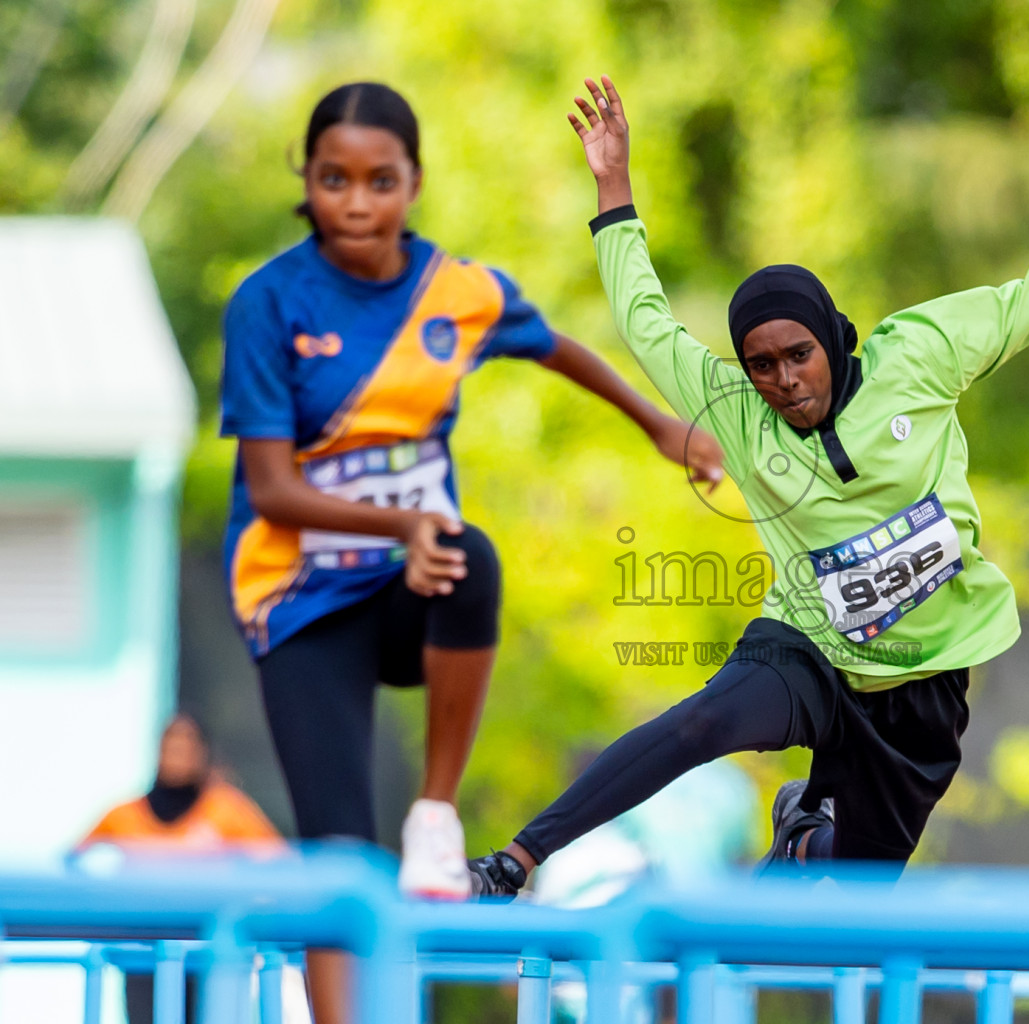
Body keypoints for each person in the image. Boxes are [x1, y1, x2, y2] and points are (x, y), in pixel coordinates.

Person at [466, 76, 1029, 897]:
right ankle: (514, 862)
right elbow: (644, 320)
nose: (785, 381)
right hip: (812, 649)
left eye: (799, 355)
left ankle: (800, 846)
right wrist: (613, 190)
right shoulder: (736, 411)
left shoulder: (919, 358)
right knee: (707, 720)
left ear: (831, 340)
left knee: (843, 905)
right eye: (762, 365)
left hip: (925, 682)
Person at [220, 81, 724, 1020]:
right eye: (335, 180)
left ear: (414, 182)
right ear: (308, 179)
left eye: (381, 180)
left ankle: (436, 814)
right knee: (333, 853)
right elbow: (275, 487)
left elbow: (553, 345)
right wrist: (401, 525)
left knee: (470, 555)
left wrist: (662, 425)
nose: (358, 203)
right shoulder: (269, 303)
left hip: (415, 588)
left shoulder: (455, 290)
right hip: (297, 596)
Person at [79, 714, 283, 1024]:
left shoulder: (227, 810)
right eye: (170, 746)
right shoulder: (124, 815)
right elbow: (73, 865)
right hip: (143, 951)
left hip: (209, 948)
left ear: (202, 754)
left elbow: (281, 865)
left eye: (186, 746)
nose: (177, 755)